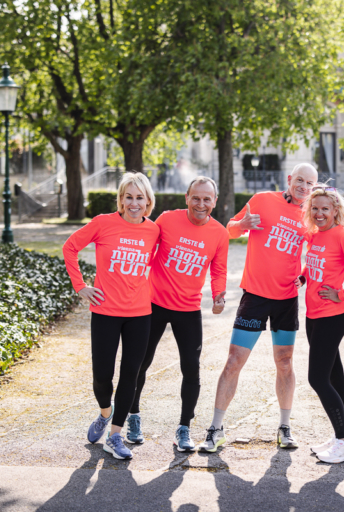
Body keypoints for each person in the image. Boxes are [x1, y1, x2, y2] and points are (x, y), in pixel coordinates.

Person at [198, 163, 318, 452]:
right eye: (299, 180)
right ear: (289, 179)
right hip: (254, 297)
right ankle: (216, 428)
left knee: (285, 363)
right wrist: (242, 226)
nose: (303, 186)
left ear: (313, 188)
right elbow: (229, 229)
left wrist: (303, 274)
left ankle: (285, 427)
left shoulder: (311, 215)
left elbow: (318, 251)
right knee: (234, 361)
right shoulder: (263, 200)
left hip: (287, 300)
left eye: (309, 184)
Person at [63, 173, 160, 460]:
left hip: (140, 313)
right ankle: (106, 413)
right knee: (102, 377)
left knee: (131, 375)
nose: (134, 203)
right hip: (105, 311)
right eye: (128, 197)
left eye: (139, 197)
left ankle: (115, 436)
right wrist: (80, 286)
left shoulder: (154, 231)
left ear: (148, 201)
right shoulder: (103, 223)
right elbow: (70, 247)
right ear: (120, 200)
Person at [128, 177, 229, 451]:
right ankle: (132, 416)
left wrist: (218, 295)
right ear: (187, 197)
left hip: (188, 308)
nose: (201, 204)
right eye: (196, 198)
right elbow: (144, 248)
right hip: (154, 304)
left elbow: (219, 270)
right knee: (140, 362)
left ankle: (184, 427)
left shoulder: (219, 233)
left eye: (207, 199)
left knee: (191, 369)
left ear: (214, 202)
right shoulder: (167, 220)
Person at [296, 186, 344, 463]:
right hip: (313, 316)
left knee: (317, 378)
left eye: (325, 208)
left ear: (336, 210)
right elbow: (314, 266)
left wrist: (343, 294)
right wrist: (303, 278)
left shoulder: (340, 235)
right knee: (335, 377)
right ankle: (340, 437)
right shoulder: (315, 236)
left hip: (331, 316)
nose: (319, 213)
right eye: (315, 208)